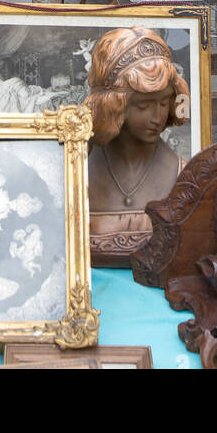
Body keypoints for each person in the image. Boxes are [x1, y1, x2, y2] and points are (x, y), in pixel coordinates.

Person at [84, 28, 190, 264]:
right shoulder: (76, 170)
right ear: (113, 106)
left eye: (164, 103)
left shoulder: (183, 176)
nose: (158, 117)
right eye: (143, 106)